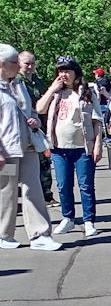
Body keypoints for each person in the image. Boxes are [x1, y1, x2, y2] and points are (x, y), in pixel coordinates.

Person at [0, 44, 60, 251]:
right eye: (14, 62)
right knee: (6, 193)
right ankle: (3, 234)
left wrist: (35, 121)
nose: (19, 66)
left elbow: (31, 110)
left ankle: (40, 234)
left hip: (28, 146)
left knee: (33, 189)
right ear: (2, 64)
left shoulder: (19, 84)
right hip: (6, 149)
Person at [39, 56, 103, 237]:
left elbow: (97, 121)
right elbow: (40, 109)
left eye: (67, 70)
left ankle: (89, 221)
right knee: (63, 185)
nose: (63, 74)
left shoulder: (86, 92)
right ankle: (68, 218)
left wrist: (97, 145)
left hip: (83, 148)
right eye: (60, 71)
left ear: (76, 72)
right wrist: (52, 88)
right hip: (59, 148)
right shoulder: (56, 93)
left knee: (86, 186)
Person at [17, 50, 52, 204]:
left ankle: (46, 195)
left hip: (40, 128)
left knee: (44, 162)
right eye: (26, 63)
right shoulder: (17, 83)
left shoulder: (38, 82)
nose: (30, 66)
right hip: (24, 129)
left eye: (32, 63)